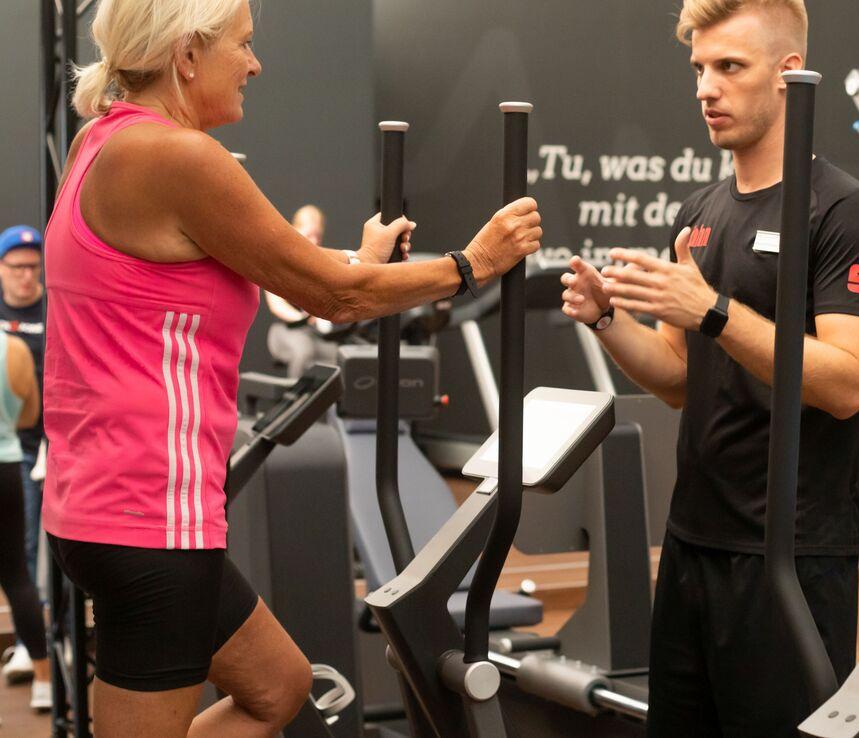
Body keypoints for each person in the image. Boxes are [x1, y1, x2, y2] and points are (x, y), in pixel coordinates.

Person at [44, 1, 540, 736]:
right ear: (187, 54)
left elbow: (277, 266)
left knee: (279, 688)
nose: (255, 64)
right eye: (242, 46)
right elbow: (329, 296)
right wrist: (476, 265)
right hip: (150, 519)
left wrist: (361, 263)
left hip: (104, 503)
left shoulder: (103, 141)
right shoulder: (177, 157)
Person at [560, 1, 859, 734]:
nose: (704, 88)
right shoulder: (698, 209)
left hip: (793, 553)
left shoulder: (845, 211)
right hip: (693, 540)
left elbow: (846, 383)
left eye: (728, 68)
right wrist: (607, 321)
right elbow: (679, 379)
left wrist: (712, 309)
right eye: (698, 70)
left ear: (787, 75)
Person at [0, 225, 47, 687]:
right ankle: (32, 649)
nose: (26, 277)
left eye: (34, 268)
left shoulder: (56, 313)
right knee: (20, 555)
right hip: (11, 447)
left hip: (46, 443)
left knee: (35, 551)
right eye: (17, 267)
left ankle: (50, 648)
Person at [0, 328, 51, 711]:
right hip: (6, 467)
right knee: (17, 575)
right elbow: (31, 415)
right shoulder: (12, 348)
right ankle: (45, 682)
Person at [264, 205, 343, 376]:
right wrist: (303, 318)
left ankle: (332, 401)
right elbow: (276, 305)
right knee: (303, 352)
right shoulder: (277, 263)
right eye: (309, 235)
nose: (314, 241)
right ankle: (297, 399)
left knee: (335, 355)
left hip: (314, 333)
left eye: (318, 236)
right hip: (286, 330)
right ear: (295, 231)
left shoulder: (322, 265)